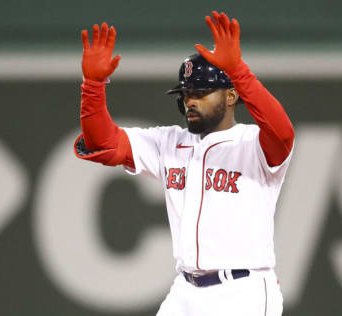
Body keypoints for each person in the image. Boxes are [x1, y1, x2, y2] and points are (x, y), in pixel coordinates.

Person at [74, 11, 295, 316]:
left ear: (231, 95)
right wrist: (93, 87)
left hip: (243, 291)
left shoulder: (252, 142)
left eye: (201, 92)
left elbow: (282, 134)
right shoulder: (168, 142)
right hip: (185, 291)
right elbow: (104, 143)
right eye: (187, 93)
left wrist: (239, 71)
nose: (190, 100)